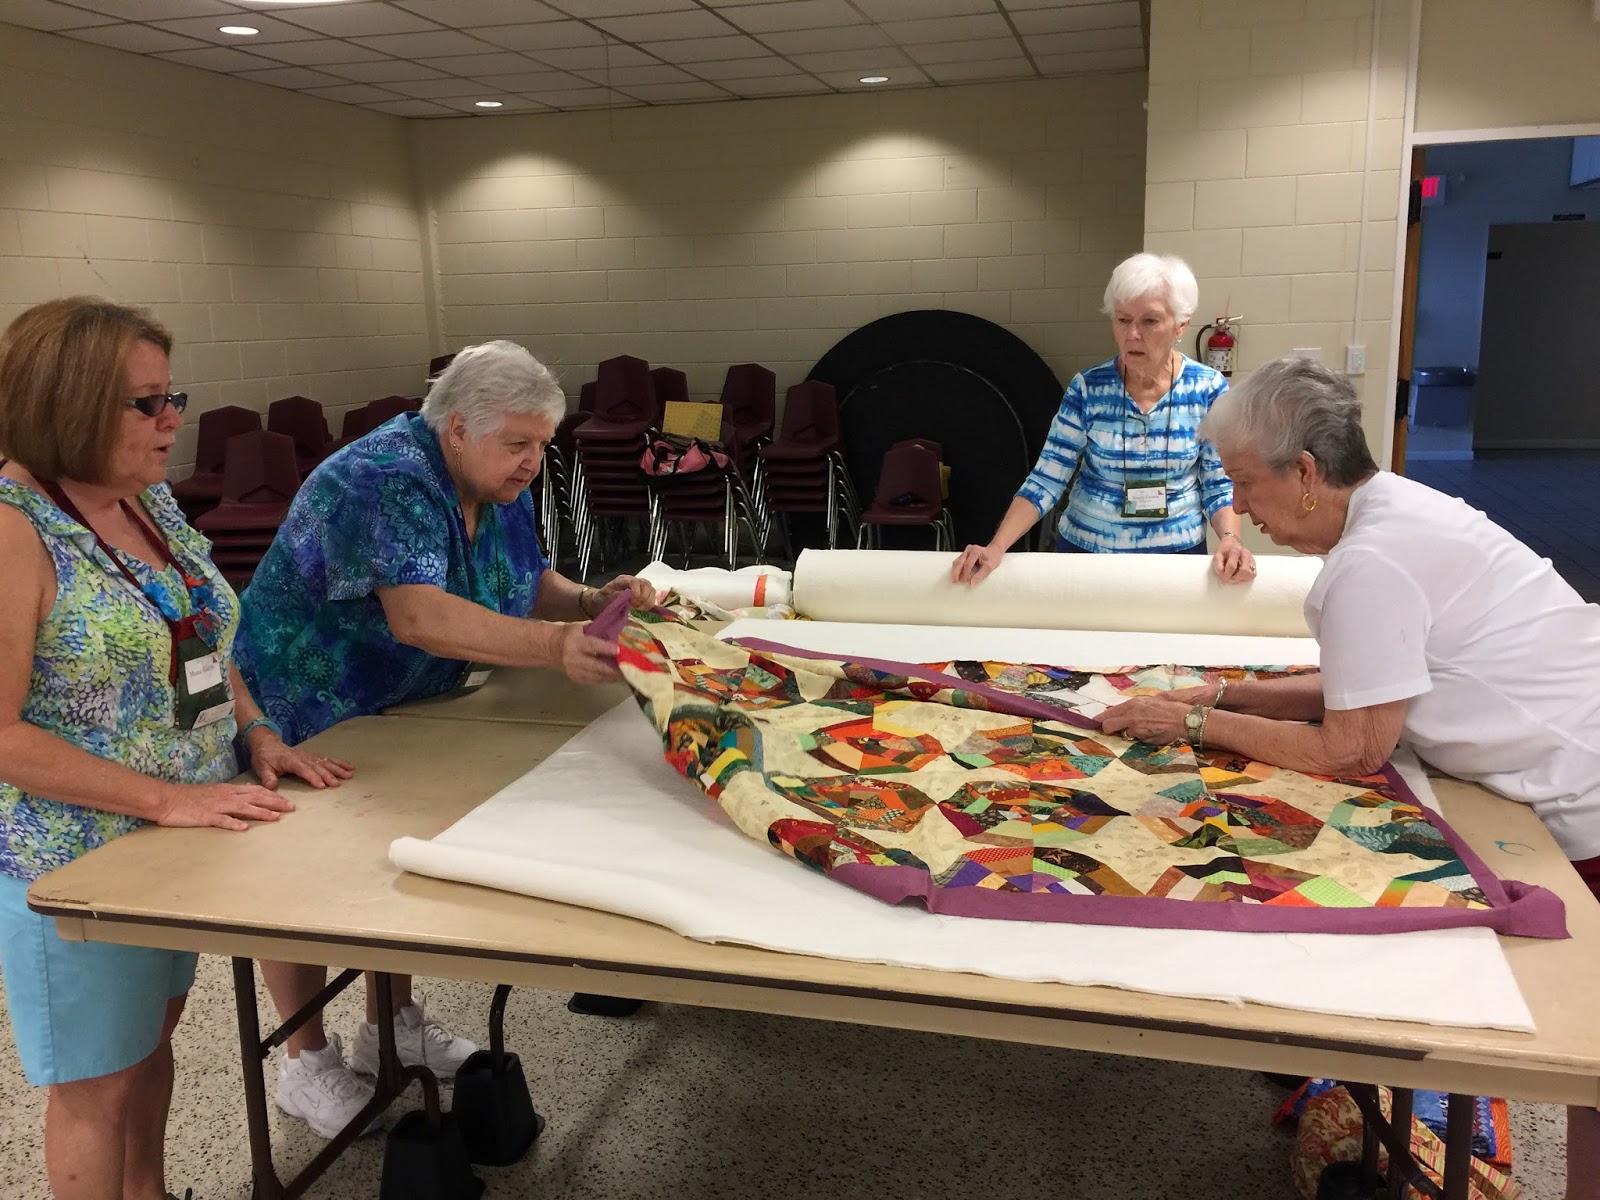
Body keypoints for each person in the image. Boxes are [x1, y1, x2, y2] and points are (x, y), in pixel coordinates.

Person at [1098, 355, 1600, 1200]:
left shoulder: (1371, 560)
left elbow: (1351, 747)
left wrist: (1187, 720)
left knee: (1585, 1057)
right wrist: (1228, 691)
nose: (1243, 514)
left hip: (1577, 802)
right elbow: (1374, 674)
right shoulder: (1400, 507)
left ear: (1303, 474)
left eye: (1245, 487)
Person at [235, 339, 655, 1138]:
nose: (534, 462)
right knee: (298, 890)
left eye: (543, 445)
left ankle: (389, 1028)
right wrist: (554, 649)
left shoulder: (495, 478)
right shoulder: (384, 478)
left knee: (383, 862)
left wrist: (593, 600)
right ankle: (305, 1061)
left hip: (396, 703)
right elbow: (420, 616)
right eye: (519, 445)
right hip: (306, 701)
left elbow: (530, 582)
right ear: (457, 428)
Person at [0, 298, 341, 1200]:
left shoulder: (141, 503)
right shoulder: (13, 528)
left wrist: (256, 731)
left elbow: (200, 634)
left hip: (171, 848)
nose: (171, 420)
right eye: (145, 404)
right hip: (77, 860)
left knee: (148, 1052)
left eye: (171, 395)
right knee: (95, 1088)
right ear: (66, 404)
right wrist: (169, 800)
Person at [951, 252, 1254, 585]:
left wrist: (1231, 539)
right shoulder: (1089, 388)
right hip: (1086, 555)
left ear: (1181, 325)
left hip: (1176, 560)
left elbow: (1218, 482)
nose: (1132, 334)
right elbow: (1047, 478)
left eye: (1149, 321)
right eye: (1122, 320)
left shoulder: (1207, 388)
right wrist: (996, 548)